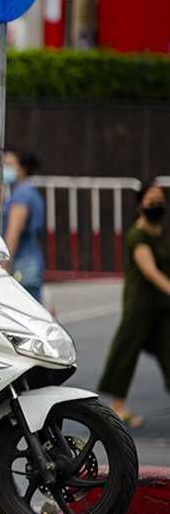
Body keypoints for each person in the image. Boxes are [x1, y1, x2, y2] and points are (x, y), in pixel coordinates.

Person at [98, 181, 170, 429]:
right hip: (140, 305)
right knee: (126, 352)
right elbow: (150, 271)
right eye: (151, 201)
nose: (156, 205)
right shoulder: (137, 235)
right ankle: (117, 406)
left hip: (162, 306)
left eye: (160, 200)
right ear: (140, 205)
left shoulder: (159, 232)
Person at [2, 150, 46, 302]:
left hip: (22, 263)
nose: (3, 168)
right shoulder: (28, 191)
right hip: (31, 260)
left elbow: (15, 229)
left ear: (22, 168)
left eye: (8, 164)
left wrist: (6, 261)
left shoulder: (21, 193)